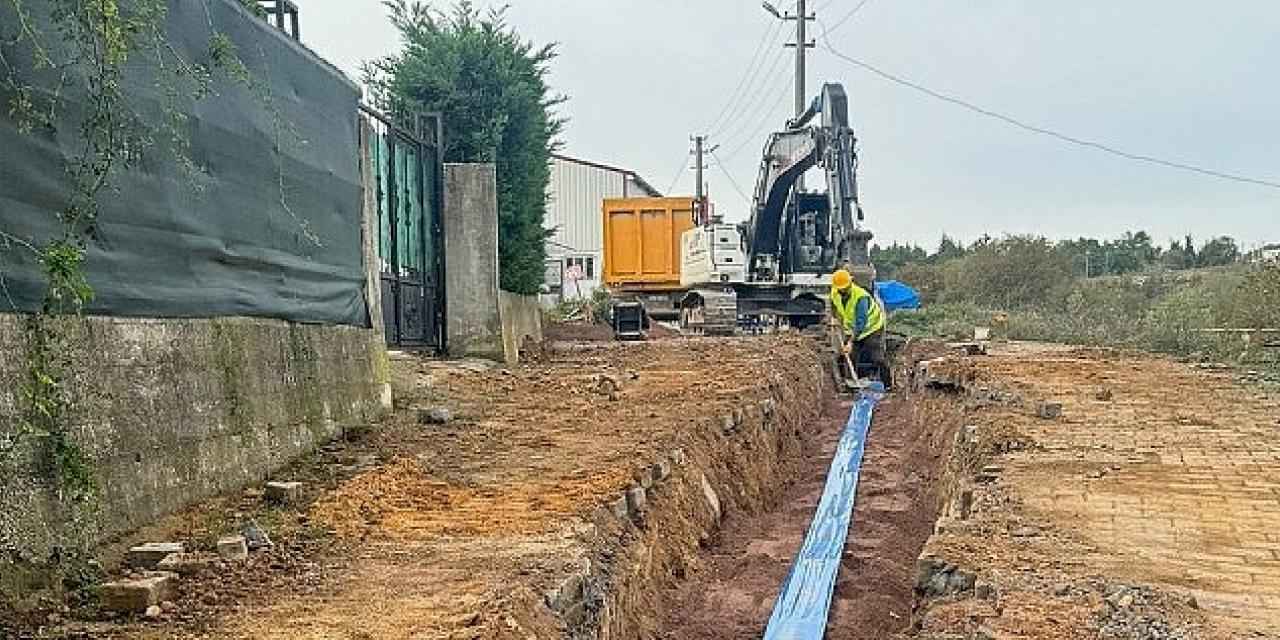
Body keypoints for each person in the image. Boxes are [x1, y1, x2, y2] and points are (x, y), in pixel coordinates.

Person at [829, 269, 893, 389]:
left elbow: (861, 322)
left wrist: (851, 342)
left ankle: (888, 384)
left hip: (872, 328)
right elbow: (833, 303)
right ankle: (851, 384)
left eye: (846, 286)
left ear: (850, 282)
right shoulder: (834, 292)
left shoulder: (860, 297)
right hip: (852, 328)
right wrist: (834, 317)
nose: (844, 289)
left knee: (876, 357)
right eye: (841, 288)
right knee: (850, 356)